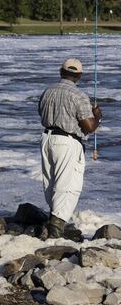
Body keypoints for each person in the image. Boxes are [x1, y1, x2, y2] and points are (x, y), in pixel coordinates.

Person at [38, 58, 102, 239]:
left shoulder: (47, 91)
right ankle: (56, 229)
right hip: (67, 142)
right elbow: (89, 126)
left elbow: (40, 112)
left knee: (50, 182)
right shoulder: (78, 95)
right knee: (68, 185)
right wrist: (97, 116)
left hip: (46, 138)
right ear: (79, 76)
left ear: (61, 71)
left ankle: (55, 220)